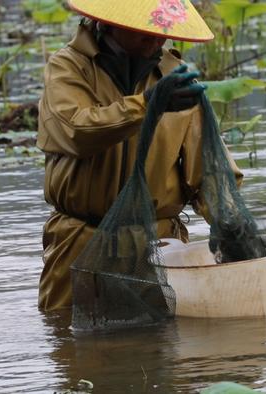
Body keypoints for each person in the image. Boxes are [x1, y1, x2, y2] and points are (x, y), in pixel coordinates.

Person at [37, 0, 243, 311]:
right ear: (111, 22)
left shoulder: (174, 77)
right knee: (73, 344)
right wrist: (148, 104)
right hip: (81, 243)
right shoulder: (67, 68)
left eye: (161, 30)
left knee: (163, 344)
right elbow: (76, 131)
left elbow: (211, 172)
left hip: (159, 247)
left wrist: (228, 224)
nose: (156, 38)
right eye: (143, 30)